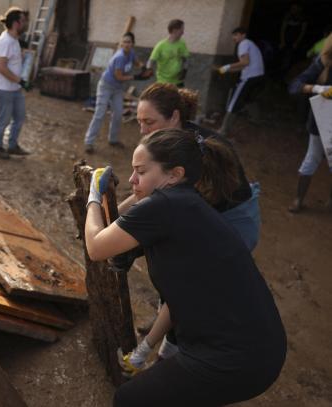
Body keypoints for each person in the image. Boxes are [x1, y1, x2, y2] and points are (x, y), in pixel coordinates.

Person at [85, 129, 286, 406]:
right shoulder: (187, 204)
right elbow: (179, 295)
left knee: (128, 399)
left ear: (174, 174)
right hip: (256, 348)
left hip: (234, 356)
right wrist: (146, 348)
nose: (132, 179)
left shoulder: (165, 206)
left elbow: (96, 246)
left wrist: (92, 197)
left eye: (140, 172)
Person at [117, 82, 261, 370]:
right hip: (204, 210)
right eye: (139, 122)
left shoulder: (196, 151)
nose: (143, 129)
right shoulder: (167, 146)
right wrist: (115, 214)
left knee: (191, 286)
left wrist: (122, 229)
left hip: (233, 219)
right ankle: (166, 325)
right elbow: (146, 194)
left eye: (150, 122)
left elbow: (168, 212)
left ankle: (176, 353)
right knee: (172, 276)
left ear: (173, 117)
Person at [288, 33, 332, 213]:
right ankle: (298, 200)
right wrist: (317, 88)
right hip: (321, 120)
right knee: (312, 158)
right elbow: (294, 85)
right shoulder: (323, 62)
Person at [84, 32, 138, 154]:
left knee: (118, 113)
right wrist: (136, 76)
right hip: (106, 86)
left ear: (133, 44)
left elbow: (136, 61)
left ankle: (113, 140)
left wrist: (143, 66)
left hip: (118, 89)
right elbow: (119, 77)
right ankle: (89, 142)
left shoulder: (131, 53)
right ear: (121, 43)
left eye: (129, 42)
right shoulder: (119, 57)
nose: (126, 44)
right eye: (124, 42)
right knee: (100, 113)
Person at [0, 7, 30, 159]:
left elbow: (12, 61)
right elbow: (2, 68)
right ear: (16, 23)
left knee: (19, 118)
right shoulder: (5, 41)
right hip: (3, 88)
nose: (25, 24)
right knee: (4, 120)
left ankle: (12, 145)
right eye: (23, 21)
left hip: (14, 87)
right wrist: (21, 81)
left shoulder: (14, 40)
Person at [216, 27, 265, 137]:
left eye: (236, 35)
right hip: (258, 77)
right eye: (233, 35)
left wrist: (228, 65)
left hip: (250, 77)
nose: (234, 38)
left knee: (234, 102)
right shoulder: (250, 44)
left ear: (243, 35)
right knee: (248, 98)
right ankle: (256, 119)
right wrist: (227, 70)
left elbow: (245, 62)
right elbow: (243, 66)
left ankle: (223, 130)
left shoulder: (243, 43)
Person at [146, 19, 190, 87]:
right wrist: (149, 69)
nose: (183, 32)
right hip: (163, 82)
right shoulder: (161, 45)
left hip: (178, 81)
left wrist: (184, 71)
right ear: (174, 30)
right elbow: (151, 61)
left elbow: (186, 59)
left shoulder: (182, 44)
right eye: (181, 29)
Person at [278, 2, 308, 77]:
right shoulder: (288, 15)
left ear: (299, 9)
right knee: (282, 55)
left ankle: (286, 74)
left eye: (294, 8)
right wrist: (282, 41)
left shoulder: (302, 17)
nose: (293, 10)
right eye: (292, 8)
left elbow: (303, 31)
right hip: (286, 39)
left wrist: (297, 42)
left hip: (295, 41)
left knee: (290, 57)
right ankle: (280, 73)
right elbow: (282, 29)